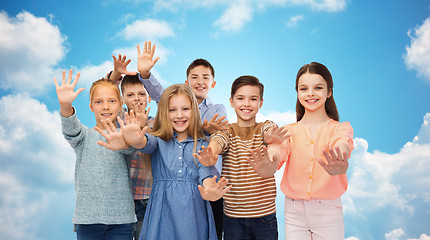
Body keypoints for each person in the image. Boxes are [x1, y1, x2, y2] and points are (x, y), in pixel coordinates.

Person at [107, 41, 228, 239]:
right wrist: (132, 137)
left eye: (186, 109)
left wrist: (210, 190)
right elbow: (144, 143)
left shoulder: (203, 143)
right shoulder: (159, 139)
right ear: (164, 111)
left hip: (193, 215)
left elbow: (206, 173)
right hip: (161, 213)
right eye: (172, 110)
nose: (179, 115)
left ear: (194, 111)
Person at [248, 62, 354, 240]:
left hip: (327, 211)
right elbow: (279, 149)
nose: (310, 93)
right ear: (297, 93)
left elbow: (343, 143)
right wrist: (270, 161)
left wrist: (339, 158)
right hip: (294, 212)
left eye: (318, 88)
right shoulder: (288, 130)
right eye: (304, 88)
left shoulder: (341, 128)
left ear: (329, 92)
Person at [194, 75, 280, 240]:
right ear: (232, 102)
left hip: (265, 217)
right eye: (240, 98)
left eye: (253, 99)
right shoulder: (227, 131)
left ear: (260, 103)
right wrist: (211, 153)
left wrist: (273, 135)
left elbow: (270, 132)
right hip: (233, 218)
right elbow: (218, 142)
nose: (246, 104)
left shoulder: (264, 127)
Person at [54, 70, 137, 239]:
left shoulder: (125, 135)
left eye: (112, 101)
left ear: (120, 104)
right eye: (99, 102)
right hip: (87, 221)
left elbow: (131, 148)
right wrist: (65, 106)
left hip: (122, 221)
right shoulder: (83, 136)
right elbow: (71, 129)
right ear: (91, 106)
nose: (106, 106)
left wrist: (123, 142)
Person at [120, 74, 154, 240]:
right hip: (123, 198)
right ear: (122, 99)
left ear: (148, 97)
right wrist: (114, 75)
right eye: (130, 95)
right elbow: (107, 96)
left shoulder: (156, 123)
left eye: (141, 94)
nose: (137, 99)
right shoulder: (118, 121)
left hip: (148, 197)